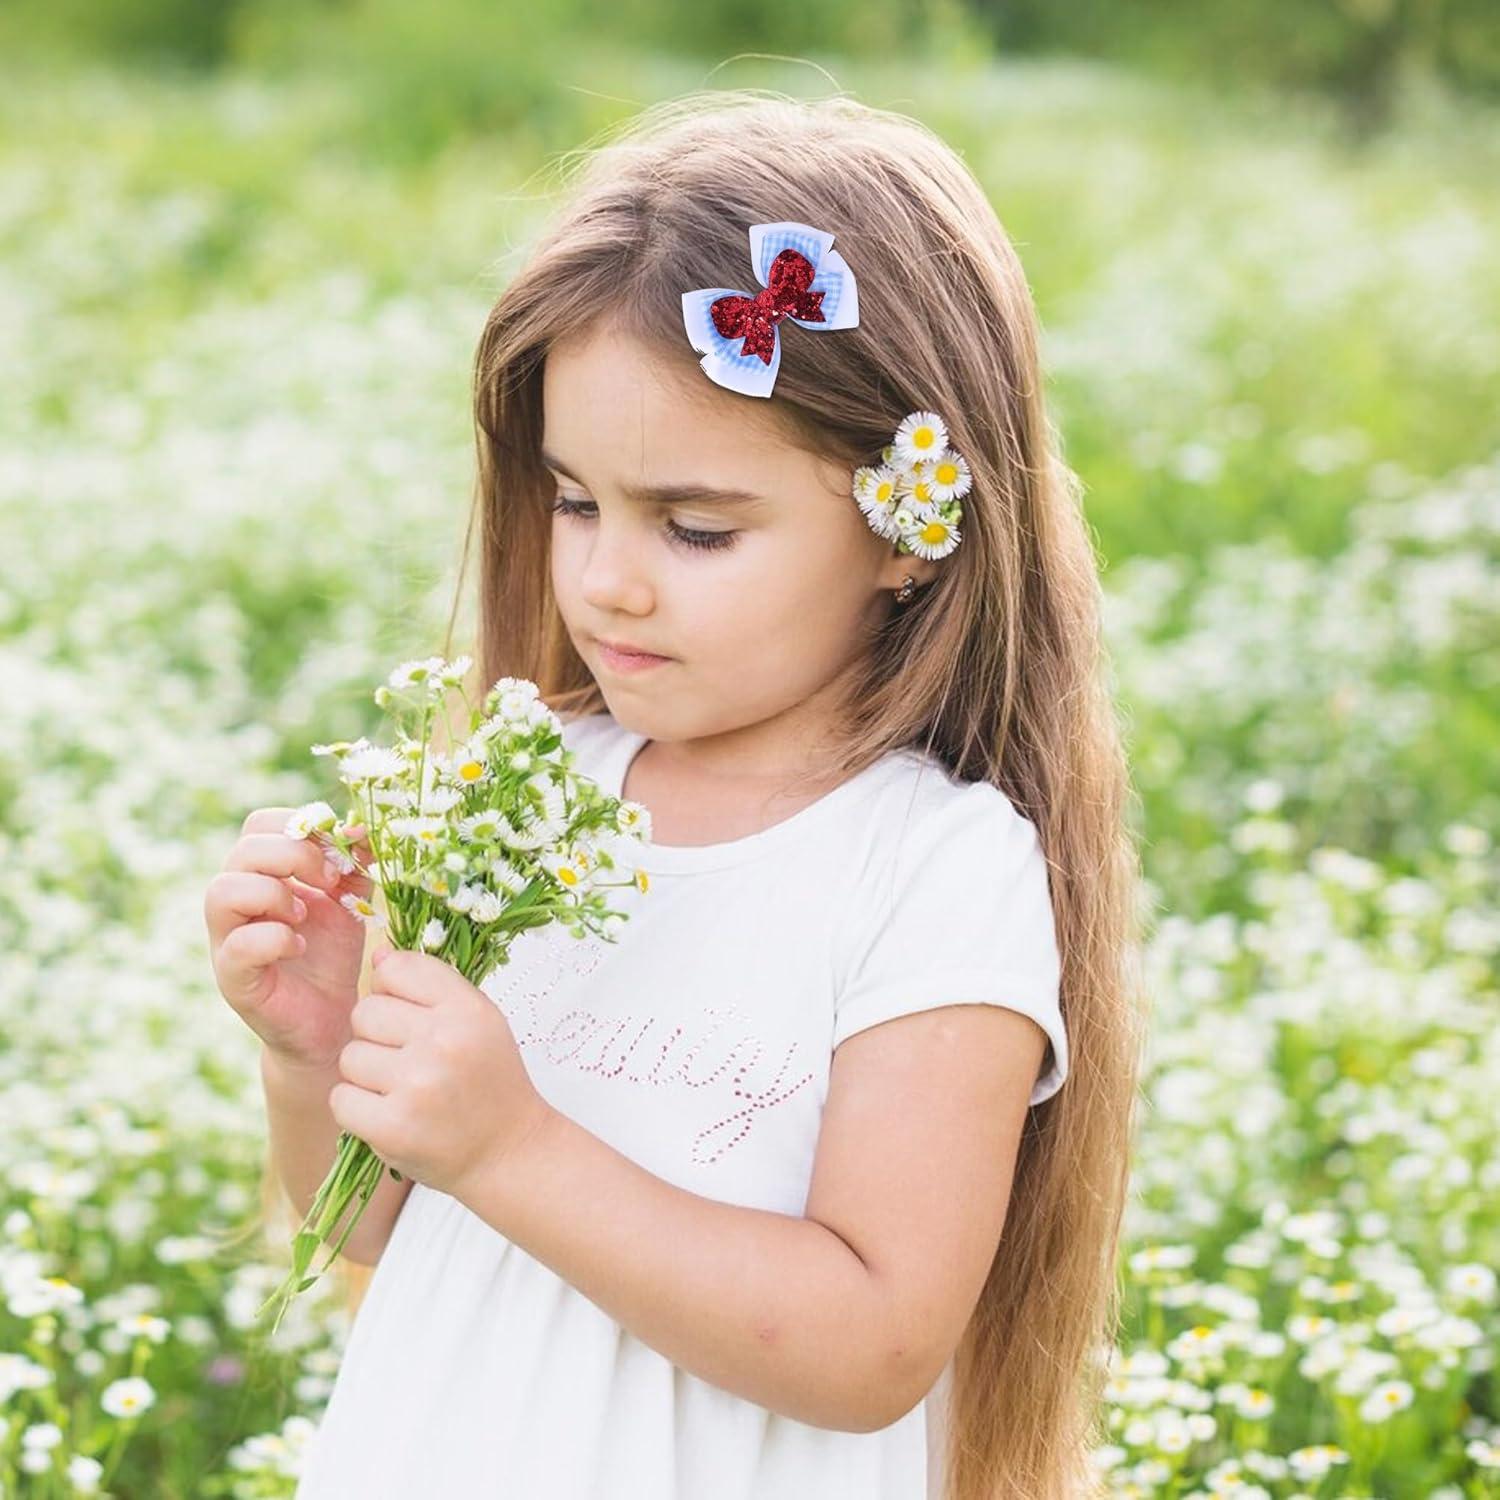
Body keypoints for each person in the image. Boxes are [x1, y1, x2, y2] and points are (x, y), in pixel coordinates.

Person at [204, 89, 1146, 1500]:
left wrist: (513, 1143)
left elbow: (871, 1344)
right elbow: (387, 1233)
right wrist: (319, 1051)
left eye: (696, 527)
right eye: (575, 501)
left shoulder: (929, 866)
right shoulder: (519, 790)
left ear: (909, 526)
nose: (604, 580)